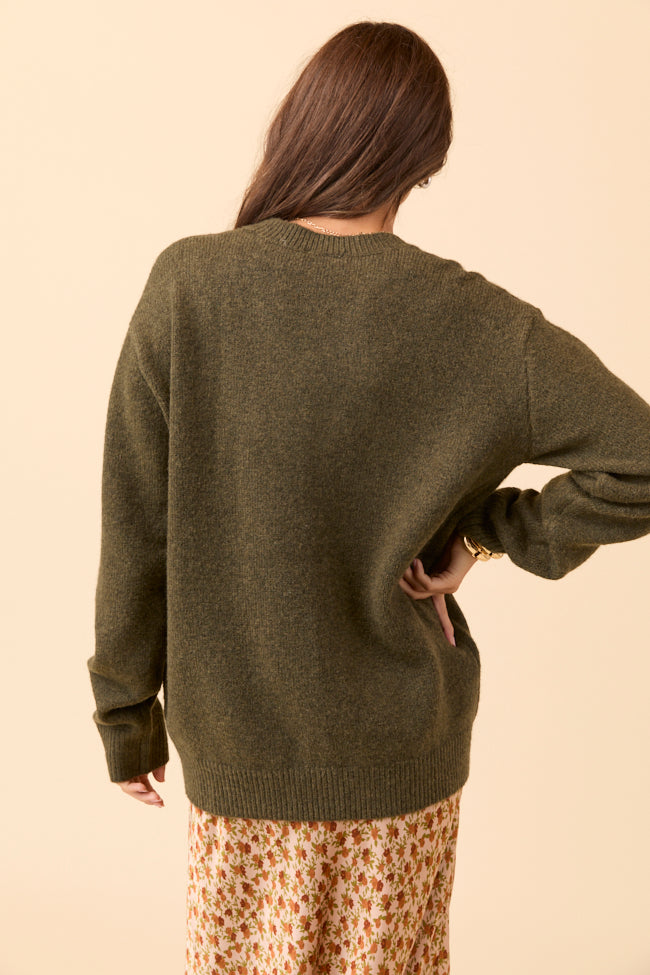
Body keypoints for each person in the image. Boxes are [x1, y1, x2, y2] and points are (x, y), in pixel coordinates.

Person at [86, 19, 650, 975]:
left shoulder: (190, 286)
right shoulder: (479, 322)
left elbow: (136, 520)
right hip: (405, 756)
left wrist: (125, 712)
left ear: (302, 123)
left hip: (243, 752)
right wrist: (486, 534)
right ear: (426, 162)